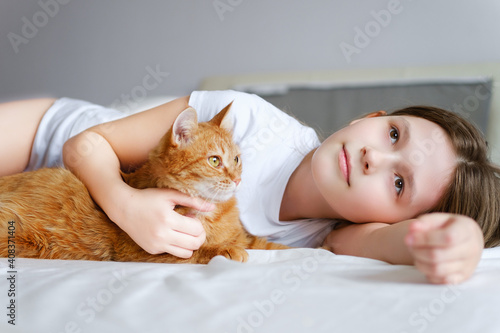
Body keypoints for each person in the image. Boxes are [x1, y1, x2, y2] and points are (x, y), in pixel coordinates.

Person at [1, 90, 497, 284]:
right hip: (47, 139)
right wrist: (127, 203)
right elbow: (87, 144)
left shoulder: (327, 237)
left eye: (398, 182)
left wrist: (456, 237)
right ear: (372, 117)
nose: (375, 156)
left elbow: (392, 246)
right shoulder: (249, 118)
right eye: (392, 135)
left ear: (388, 220)